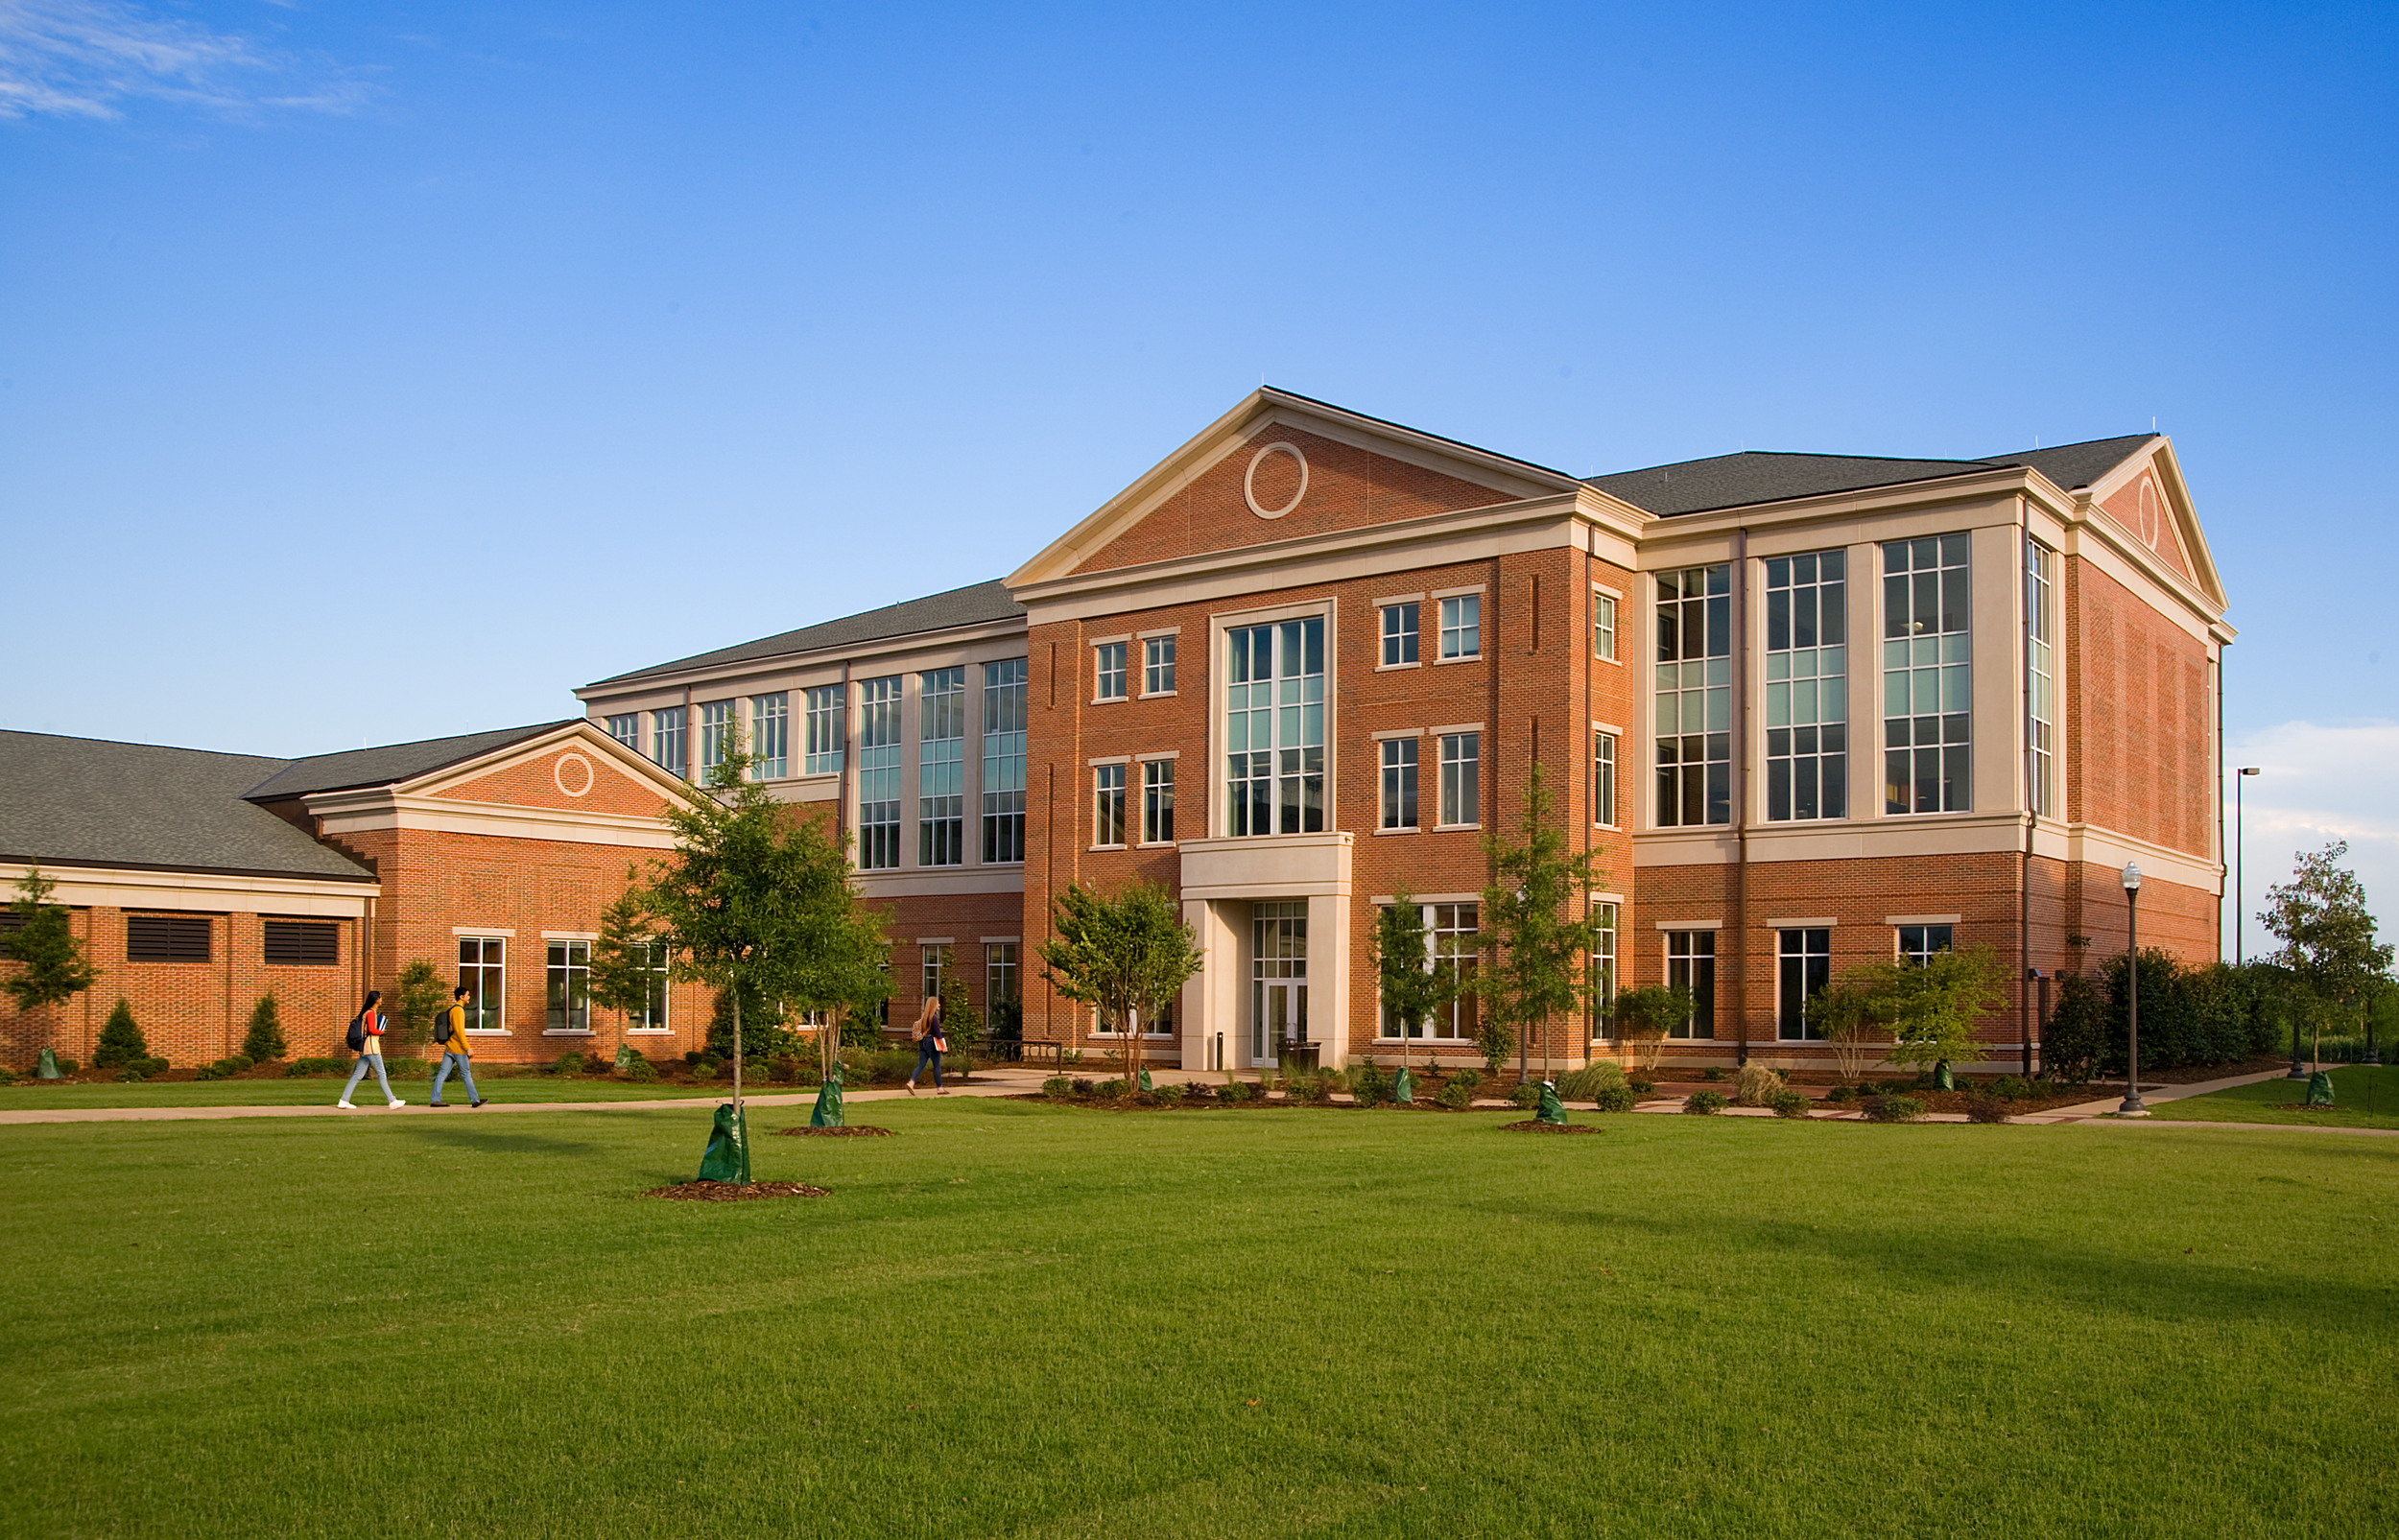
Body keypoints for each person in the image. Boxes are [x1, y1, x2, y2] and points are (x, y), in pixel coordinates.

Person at [338, 989, 407, 1109]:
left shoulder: (368, 1012)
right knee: (382, 1074)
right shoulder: (370, 1013)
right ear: (376, 1000)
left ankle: (344, 1100)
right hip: (371, 1047)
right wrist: (382, 1031)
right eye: (380, 998)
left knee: (357, 1075)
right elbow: (372, 1030)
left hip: (366, 1048)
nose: (381, 1000)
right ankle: (392, 1100)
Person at [430, 986, 486, 1107]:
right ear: (461, 997)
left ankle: (435, 1099)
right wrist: (467, 1048)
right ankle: (475, 1100)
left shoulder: (452, 1010)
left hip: (449, 1047)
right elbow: (459, 1031)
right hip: (458, 1049)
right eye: (468, 995)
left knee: (442, 1074)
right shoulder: (459, 1010)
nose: (469, 997)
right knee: (466, 1074)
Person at [905, 990, 946, 1095]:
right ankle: (940, 1088)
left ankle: (911, 1082)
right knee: (936, 1065)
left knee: (921, 1065)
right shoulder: (934, 1018)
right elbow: (938, 1034)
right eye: (937, 1003)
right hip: (931, 1042)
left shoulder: (923, 1019)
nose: (939, 1005)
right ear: (934, 1005)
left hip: (922, 1042)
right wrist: (943, 1046)